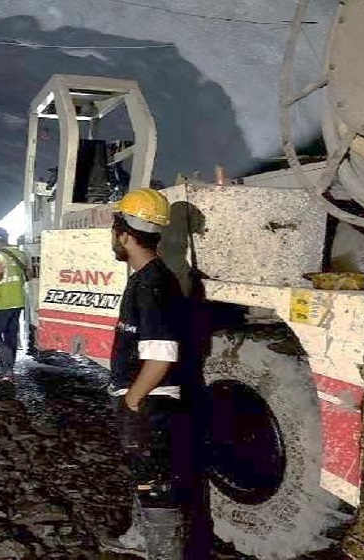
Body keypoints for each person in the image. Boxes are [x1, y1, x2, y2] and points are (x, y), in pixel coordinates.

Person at [99, 188, 209, 559]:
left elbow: (161, 357)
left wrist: (132, 400)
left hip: (150, 400)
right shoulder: (149, 277)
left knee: (156, 484)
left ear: (124, 235)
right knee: (143, 471)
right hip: (146, 397)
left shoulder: (152, 285)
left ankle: (163, 551)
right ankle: (138, 537)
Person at [0, 227, 30, 381]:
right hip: (18, 301)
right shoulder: (21, 254)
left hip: (1, 302)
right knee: (11, 335)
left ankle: (5, 368)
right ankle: (9, 370)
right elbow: (28, 275)